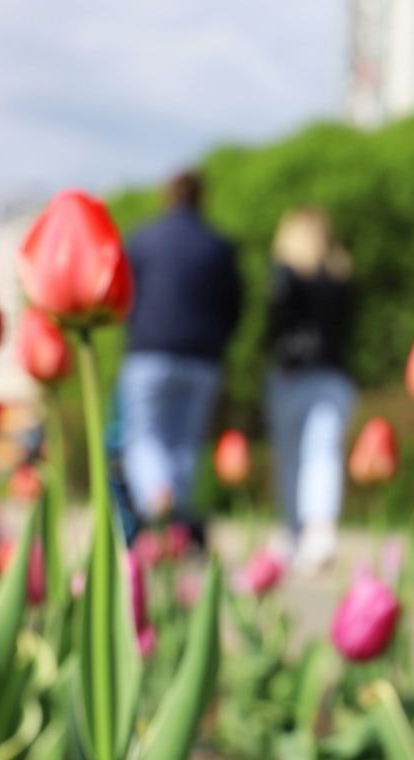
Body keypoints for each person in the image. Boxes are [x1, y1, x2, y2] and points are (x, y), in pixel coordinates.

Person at [118, 171, 241, 546]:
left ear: (167, 196)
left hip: (149, 352)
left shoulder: (143, 239)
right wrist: (218, 340)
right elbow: (235, 305)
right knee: (185, 441)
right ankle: (179, 518)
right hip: (202, 357)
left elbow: (122, 294)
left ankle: (158, 501)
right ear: (202, 198)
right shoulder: (218, 246)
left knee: (145, 434)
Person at [266, 207, 355, 573]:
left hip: (292, 375)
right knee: (324, 454)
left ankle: (293, 532)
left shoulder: (285, 276)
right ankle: (321, 534)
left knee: (292, 457)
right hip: (335, 376)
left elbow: (275, 326)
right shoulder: (343, 277)